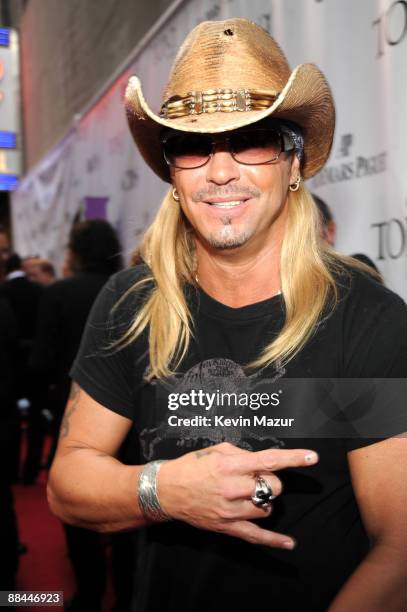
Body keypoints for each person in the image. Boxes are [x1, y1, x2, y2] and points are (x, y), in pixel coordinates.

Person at [48, 19, 407, 612]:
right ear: (172, 176)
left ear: (295, 165)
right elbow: (68, 486)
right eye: (192, 146)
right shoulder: (132, 303)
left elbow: (399, 551)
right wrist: (164, 489)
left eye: (254, 139)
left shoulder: (367, 318)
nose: (220, 171)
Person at [30, 220, 123, 612]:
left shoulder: (60, 293)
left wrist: (40, 401)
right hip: (132, 418)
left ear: (76, 252)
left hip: (73, 408)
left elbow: (42, 360)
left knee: (79, 496)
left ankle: (88, 593)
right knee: (128, 503)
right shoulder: (134, 290)